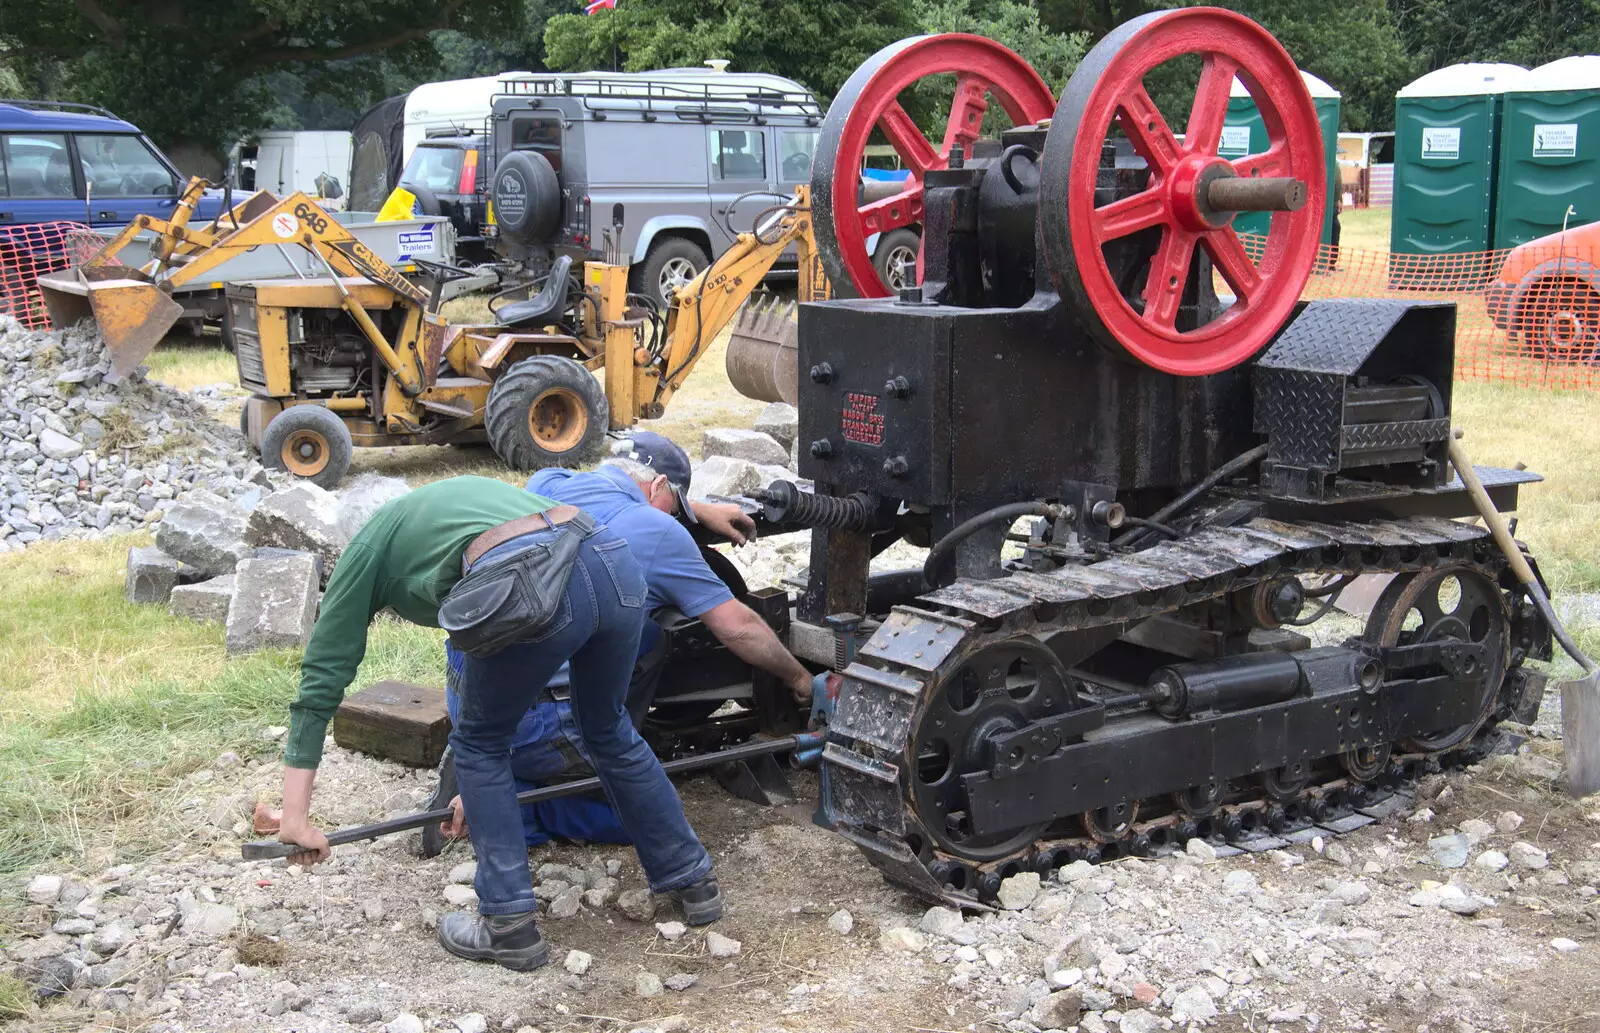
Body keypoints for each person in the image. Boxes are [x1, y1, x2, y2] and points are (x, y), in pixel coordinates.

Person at [274, 474, 720, 973]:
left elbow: (320, 683)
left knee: (480, 746)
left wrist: (295, 815)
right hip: (611, 560)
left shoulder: (367, 545)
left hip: (535, 580)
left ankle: (508, 927)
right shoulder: (454, 501)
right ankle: (692, 882)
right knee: (609, 729)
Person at [432, 432, 813, 846]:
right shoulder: (656, 528)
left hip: (474, 696)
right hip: (539, 724)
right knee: (644, 813)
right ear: (660, 487)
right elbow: (738, 627)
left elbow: (623, 501)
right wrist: (798, 678)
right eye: (677, 506)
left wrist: (696, 509)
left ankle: (490, 766)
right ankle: (512, 797)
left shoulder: (546, 484)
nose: (677, 518)